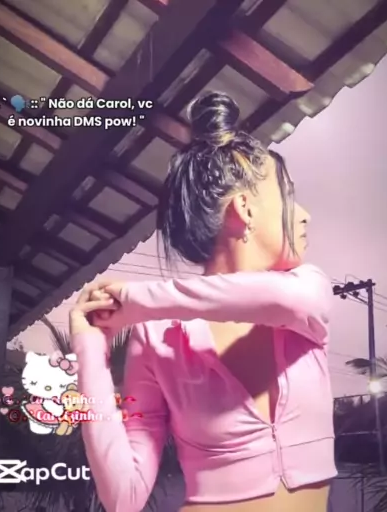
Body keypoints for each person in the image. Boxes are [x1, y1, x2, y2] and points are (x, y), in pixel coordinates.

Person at [70, 91, 336, 512]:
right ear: (245, 209)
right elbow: (123, 496)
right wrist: (90, 351)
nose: (303, 214)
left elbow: (287, 300)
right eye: (288, 195)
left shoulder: (307, 291)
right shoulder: (155, 336)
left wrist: (141, 300)